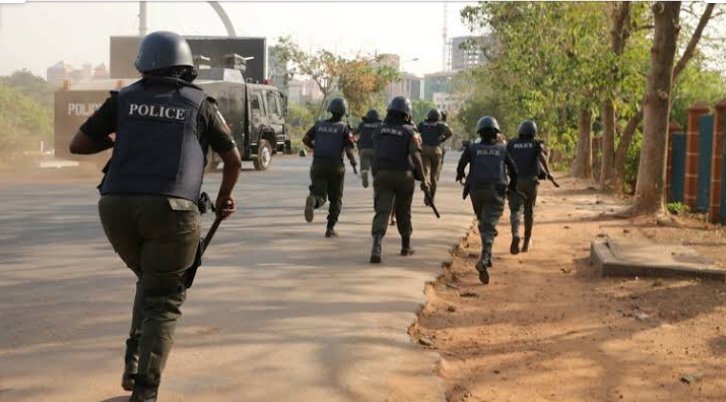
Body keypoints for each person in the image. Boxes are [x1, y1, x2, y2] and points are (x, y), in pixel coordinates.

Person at [69, 31, 241, 402]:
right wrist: (225, 199)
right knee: (164, 298)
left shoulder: (124, 99)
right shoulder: (200, 104)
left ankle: (133, 364)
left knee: (150, 281)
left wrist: (122, 138)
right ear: (186, 66)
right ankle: (145, 391)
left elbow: (78, 144)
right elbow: (233, 158)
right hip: (173, 210)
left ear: (143, 62)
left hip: (114, 206)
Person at [456, 116, 517, 284]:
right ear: (496, 133)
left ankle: (487, 256)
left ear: (480, 132)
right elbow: (514, 170)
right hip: (496, 191)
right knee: (489, 226)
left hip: (476, 191)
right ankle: (484, 259)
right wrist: (512, 188)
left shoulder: (472, 148)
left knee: (484, 222)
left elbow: (461, 165)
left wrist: (460, 175)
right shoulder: (502, 149)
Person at [369, 96, 429, 263]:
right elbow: (415, 156)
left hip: (382, 175)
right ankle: (405, 246)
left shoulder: (380, 130)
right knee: (403, 211)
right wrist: (424, 180)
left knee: (382, 211)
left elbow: (377, 151)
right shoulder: (410, 132)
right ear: (407, 114)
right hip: (403, 176)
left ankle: (376, 247)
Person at [303, 97, 357, 237]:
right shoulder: (344, 128)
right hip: (335, 166)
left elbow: (305, 139)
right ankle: (330, 228)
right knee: (336, 198)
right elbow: (349, 150)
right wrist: (353, 163)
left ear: (330, 110)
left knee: (319, 195)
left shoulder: (319, 125)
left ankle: (313, 201)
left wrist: (315, 148)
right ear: (343, 112)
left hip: (318, 165)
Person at [506, 120, 553, 253]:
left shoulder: (512, 143)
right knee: (529, 211)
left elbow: (505, 160)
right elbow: (542, 158)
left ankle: (515, 233)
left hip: (516, 182)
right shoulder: (535, 144)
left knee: (515, 210)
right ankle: (526, 242)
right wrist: (548, 173)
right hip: (531, 182)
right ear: (534, 132)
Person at [417, 108, 453, 205]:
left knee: (426, 172)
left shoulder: (422, 124)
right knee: (434, 176)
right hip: (436, 150)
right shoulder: (440, 124)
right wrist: (442, 138)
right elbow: (450, 131)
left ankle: (426, 186)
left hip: (424, 150)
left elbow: (415, 131)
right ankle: (430, 198)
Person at [355, 108, 381, 188]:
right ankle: (376, 179)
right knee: (375, 168)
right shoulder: (380, 125)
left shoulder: (362, 124)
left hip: (364, 149)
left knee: (364, 166)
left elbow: (354, 132)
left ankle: (364, 172)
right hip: (376, 150)